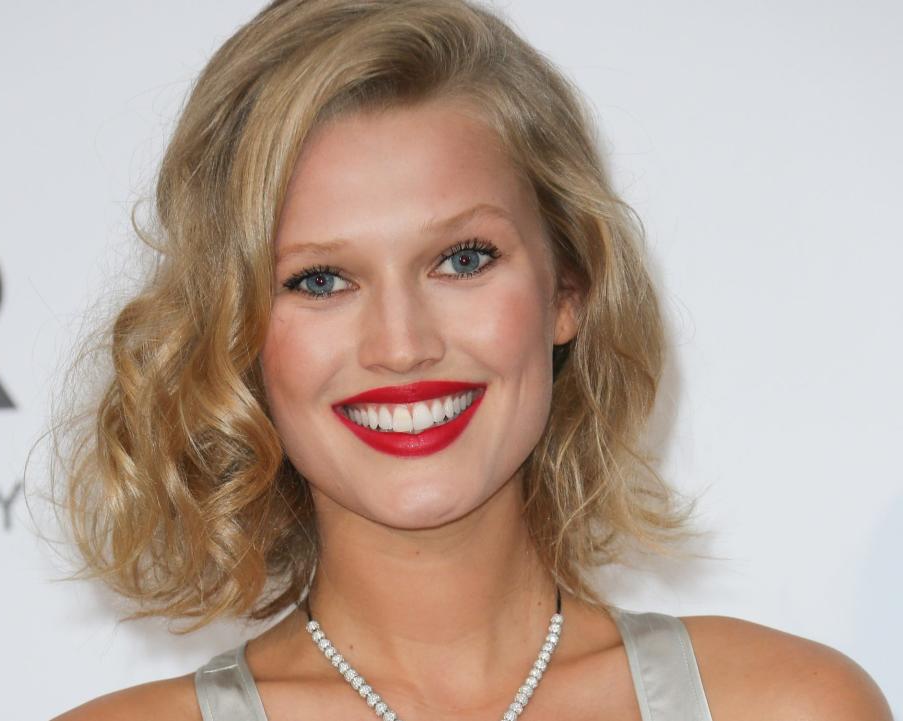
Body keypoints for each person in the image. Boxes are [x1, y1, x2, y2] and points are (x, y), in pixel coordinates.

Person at [51, 1, 892, 719]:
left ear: (568, 288)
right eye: (319, 278)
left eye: (461, 259)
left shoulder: (789, 704)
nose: (403, 345)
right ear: (233, 332)